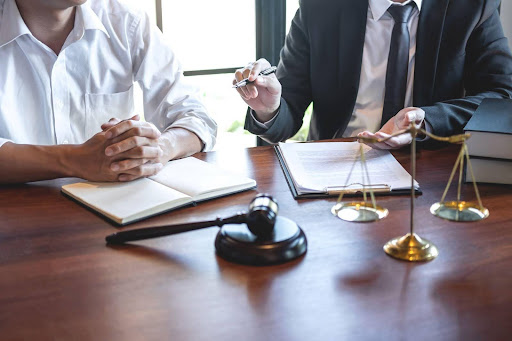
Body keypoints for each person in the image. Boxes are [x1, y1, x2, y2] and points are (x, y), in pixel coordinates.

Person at [234, 0, 512, 149]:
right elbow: (288, 114)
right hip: (334, 164)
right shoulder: (319, 7)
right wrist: (270, 109)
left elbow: (502, 97)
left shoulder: (474, 6)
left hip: (429, 163)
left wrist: (426, 121)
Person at [0, 0, 217, 184]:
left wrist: (157, 149)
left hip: (116, 212)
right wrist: (74, 159)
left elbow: (196, 117)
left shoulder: (126, 21)